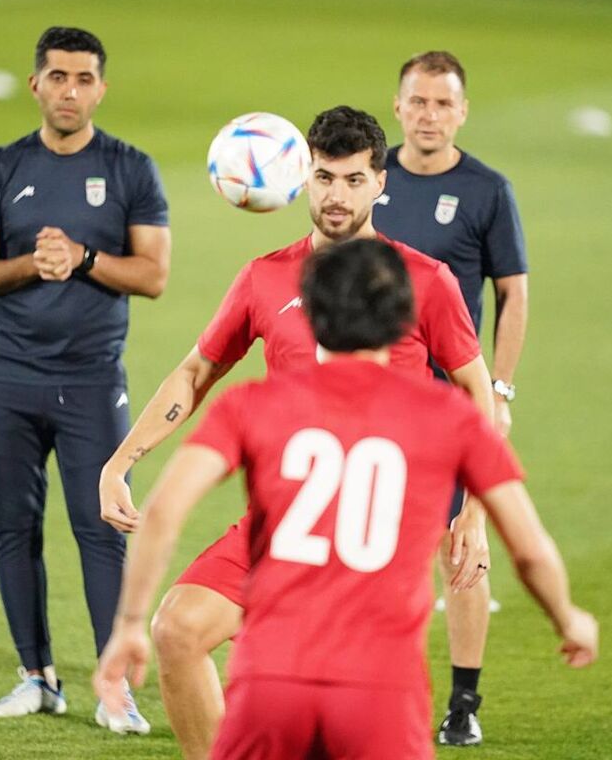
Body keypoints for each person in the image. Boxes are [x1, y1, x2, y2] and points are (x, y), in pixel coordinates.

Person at [93, 239, 598, 760]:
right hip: (379, 694)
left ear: (310, 315)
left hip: (270, 685)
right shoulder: (447, 418)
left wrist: (130, 623)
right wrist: (568, 619)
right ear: (403, 320)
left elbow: (162, 512)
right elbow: (531, 551)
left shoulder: (252, 405)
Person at [98, 105, 497, 759]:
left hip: (371, 541)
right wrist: (122, 460)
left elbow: (475, 391)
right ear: (301, 178)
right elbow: (198, 369)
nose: (336, 195)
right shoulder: (264, 277)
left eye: (351, 179)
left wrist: (472, 515)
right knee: (178, 631)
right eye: (323, 178)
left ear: (381, 182)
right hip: (279, 526)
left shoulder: (423, 280)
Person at [0, 25, 170, 733]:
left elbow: (154, 275)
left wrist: (81, 260)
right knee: (13, 529)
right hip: (6, 375)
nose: (69, 90)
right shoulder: (1, 167)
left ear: (101, 88)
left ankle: (115, 690)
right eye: (57, 77)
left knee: (102, 529)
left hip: (91, 380)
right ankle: (36, 678)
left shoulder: (132, 169)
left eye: (83, 78)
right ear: (35, 85)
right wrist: (31, 264)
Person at [375, 50, 530, 746]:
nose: (430, 114)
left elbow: (512, 292)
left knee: (463, 544)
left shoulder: (486, 190)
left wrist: (497, 389)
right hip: (372, 396)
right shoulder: (369, 180)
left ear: (463, 111)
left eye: (444, 103)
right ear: (398, 106)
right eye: (419, 101)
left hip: (451, 397)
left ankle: (463, 700)